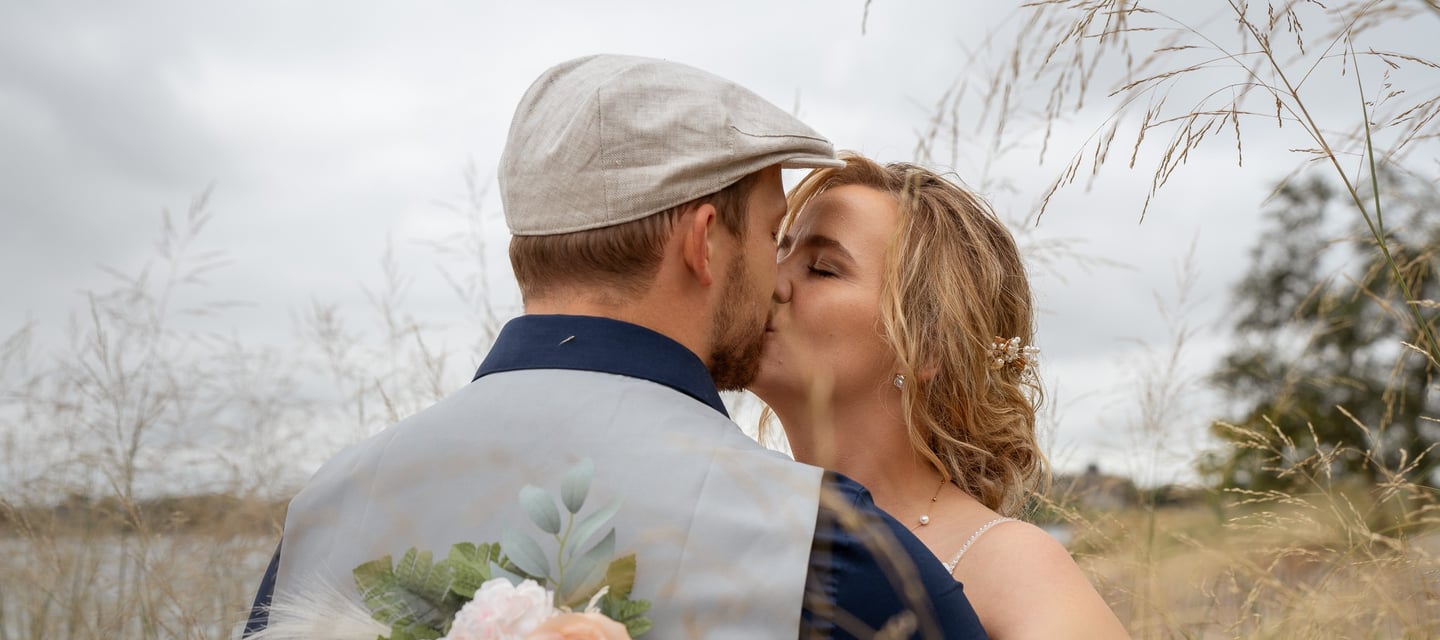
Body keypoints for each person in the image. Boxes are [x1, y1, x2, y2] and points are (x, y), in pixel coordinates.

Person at [241, 56, 988, 639]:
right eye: (771, 234)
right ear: (703, 243)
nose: (778, 281)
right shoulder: (820, 543)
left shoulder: (324, 509)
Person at [750, 153, 1130, 638]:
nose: (769, 279)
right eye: (777, 250)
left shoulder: (1010, 565)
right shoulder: (738, 526)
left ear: (927, 345)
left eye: (822, 268)